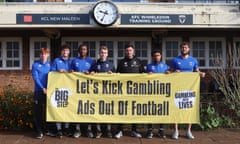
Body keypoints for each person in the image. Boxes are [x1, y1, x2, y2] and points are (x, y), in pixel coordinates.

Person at [170, 41, 205, 140]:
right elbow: (169, 71)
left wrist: (201, 73)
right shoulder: (175, 60)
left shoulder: (193, 60)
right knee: (176, 108)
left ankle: (188, 131)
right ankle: (176, 131)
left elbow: (196, 71)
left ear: (189, 49)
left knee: (189, 108)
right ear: (180, 49)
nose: (184, 49)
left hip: (190, 88)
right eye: (182, 47)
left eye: (185, 48)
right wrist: (173, 72)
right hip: (178, 87)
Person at [114, 44, 145, 139]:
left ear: (133, 51)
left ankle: (134, 130)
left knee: (134, 111)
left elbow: (143, 75)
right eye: (127, 50)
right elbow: (117, 75)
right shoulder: (121, 62)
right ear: (125, 52)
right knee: (121, 110)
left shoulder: (139, 62)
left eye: (130, 50)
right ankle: (119, 130)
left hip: (135, 91)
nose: (129, 52)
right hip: (123, 91)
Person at [89, 45, 115, 138]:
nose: (103, 54)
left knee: (108, 111)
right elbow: (89, 76)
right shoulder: (95, 64)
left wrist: (112, 75)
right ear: (99, 54)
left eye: (105, 52)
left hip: (108, 92)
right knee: (97, 110)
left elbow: (116, 79)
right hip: (97, 92)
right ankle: (98, 130)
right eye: (101, 52)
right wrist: (91, 73)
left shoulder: (111, 65)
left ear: (107, 54)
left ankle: (108, 130)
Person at [70, 44, 95, 138]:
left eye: (84, 49)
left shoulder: (91, 61)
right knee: (78, 108)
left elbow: (95, 72)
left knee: (88, 108)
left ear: (87, 51)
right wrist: (71, 72)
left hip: (88, 89)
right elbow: (70, 72)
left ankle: (88, 129)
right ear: (79, 51)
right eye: (81, 49)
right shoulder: (74, 61)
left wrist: (91, 73)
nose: (83, 51)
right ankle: (78, 129)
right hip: (76, 89)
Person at [146, 50, 170, 139]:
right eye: (155, 55)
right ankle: (150, 130)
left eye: (158, 55)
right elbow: (143, 78)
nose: (156, 57)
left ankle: (161, 130)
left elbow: (170, 77)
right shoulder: (149, 66)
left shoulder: (165, 66)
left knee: (161, 110)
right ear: (152, 57)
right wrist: (147, 74)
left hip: (162, 92)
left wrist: (169, 73)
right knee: (150, 110)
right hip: (151, 91)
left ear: (161, 56)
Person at [51, 44, 72, 138]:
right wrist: (58, 71)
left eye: (67, 50)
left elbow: (76, 72)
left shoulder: (71, 61)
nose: (65, 52)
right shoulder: (56, 60)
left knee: (67, 108)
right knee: (58, 108)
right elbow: (51, 72)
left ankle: (66, 129)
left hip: (69, 89)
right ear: (61, 52)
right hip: (58, 88)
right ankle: (59, 129)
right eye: (63, 50)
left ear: (69, 52)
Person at [31, 47, 51, 139]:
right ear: (40, 55)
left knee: (48, 112)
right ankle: (39, 131)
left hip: (48, 92)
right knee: (38, 112)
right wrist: (43, 88)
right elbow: (36, 78)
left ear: (48, 55)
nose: (43, 55)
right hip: (39, 91)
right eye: (42, 54)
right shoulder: (35, 65)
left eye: (45, 54)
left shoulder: (50, 65)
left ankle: (46, 129)